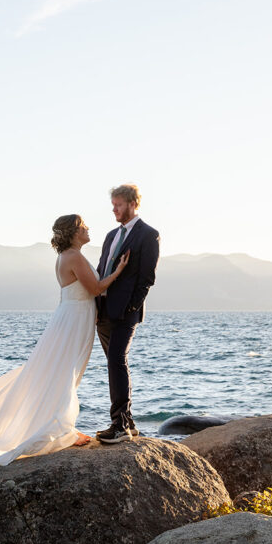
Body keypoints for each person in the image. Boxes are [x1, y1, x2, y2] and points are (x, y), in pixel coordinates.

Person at [0, 215, 129, 467]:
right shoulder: (72, 257)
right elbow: (94, 288)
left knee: (66, 372)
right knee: (64, 373)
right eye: (82, 226)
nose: (87, 229)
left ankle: (61, 427)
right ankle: (61, 431)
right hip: (74, 319)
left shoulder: (69, 256)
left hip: (75, 317)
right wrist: (118, 271)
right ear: (72, 233)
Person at [95, 184, 160, 444]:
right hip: (103, 311)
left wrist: (131, 307)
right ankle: (127, 422)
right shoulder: (111, 236)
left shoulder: (149, 235)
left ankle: (119, 425)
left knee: (116, 360)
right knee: (115, 365)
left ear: (133, 204)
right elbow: (102, 270)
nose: (114, 209)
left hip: (125, 312)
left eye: (118, 205)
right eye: (113, 205)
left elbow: (147, 278)